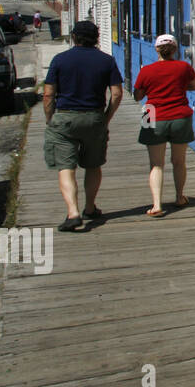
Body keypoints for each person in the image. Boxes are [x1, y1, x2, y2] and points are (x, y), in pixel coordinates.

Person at [43, 20, 123, 232]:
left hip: (65, 118)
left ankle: (73, 213)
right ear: (96, 37)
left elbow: (49, 93)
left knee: (66, 167)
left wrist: (50, 119)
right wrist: (106, 117)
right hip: (94, 117)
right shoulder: (107, 61)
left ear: (74, 37)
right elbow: (116, 93)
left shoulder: (60, 60)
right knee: (93, 164)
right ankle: (89, 207)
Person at [133, 34, 195, 217]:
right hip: (180, 114)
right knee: (179, 161)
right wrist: (179, 87)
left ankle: (157, 204)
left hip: (152, 114)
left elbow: (138, 96)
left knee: (156, 164)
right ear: (175, 49)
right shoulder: (183, 67)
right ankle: (180, 197)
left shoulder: (146, 71)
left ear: (156, 49)